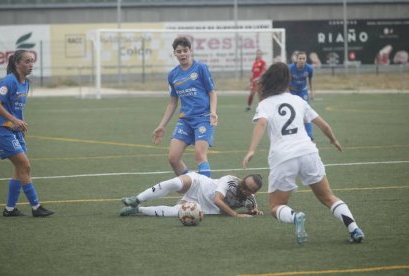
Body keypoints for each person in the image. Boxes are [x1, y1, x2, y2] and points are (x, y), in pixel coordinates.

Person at [242, 62, 364, 244]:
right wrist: (333, 140)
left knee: (276, 206)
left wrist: (251, 150)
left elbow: (261, 124)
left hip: (283, 157)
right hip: (308, 152)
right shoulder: (299, 100)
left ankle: (295, 216)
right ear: (287, 81)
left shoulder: (265, 104)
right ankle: (354, 229)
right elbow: (324, 125)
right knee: (328, 197)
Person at [0, 50, 54, 217]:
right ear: (17, 63)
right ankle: (36, 207)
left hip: (15, 130)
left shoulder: (26, 83)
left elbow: (17, 108)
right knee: (25, 166)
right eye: (27, 61)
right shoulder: (9, 81)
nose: (31, 65)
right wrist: (14, 120)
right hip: (1, 128)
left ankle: (10, 209)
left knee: (19, 168)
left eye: (32, 61)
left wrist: (19, 123)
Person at [152, 36, 218, 177]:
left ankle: (204, 194)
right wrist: (162, 125)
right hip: (185, 120)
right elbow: (173, 102)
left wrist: (213, 112)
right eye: (179, 51)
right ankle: (189, 189)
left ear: (190, 51)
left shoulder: (200, 68)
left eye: (185, 50)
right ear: (174, 54)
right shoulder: (173, 75)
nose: (182, 54)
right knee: (173, 158)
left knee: (200, 155)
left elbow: (212, 92)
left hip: (203, 118)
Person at [120, 172, 263, 218]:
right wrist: (236, 215)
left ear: (253, 192)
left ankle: (137, 209)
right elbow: (218, 200)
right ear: (243, 180)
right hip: (199, 184)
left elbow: (253, 210)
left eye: (248, 189)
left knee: (174, 212)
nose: (243, 188)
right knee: (176, 183)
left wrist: (254, 211)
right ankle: (137, 199)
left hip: (202, 207)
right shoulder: (230, 180)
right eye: (244, 184)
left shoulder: (250, 200)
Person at [289, 51, 314, 140]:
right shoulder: (290, 68)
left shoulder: (309, 69)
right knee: (292, 112)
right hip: (292, 92)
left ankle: (309, 134)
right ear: (297, 59)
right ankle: (293, 134)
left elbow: (310, 80)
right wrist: (287, 93)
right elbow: (287, 81)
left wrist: (312, 92)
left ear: (306, 59)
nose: (302, 60)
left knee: (305, 112)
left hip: (303, 92)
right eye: (300, 58)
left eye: (303, 58)